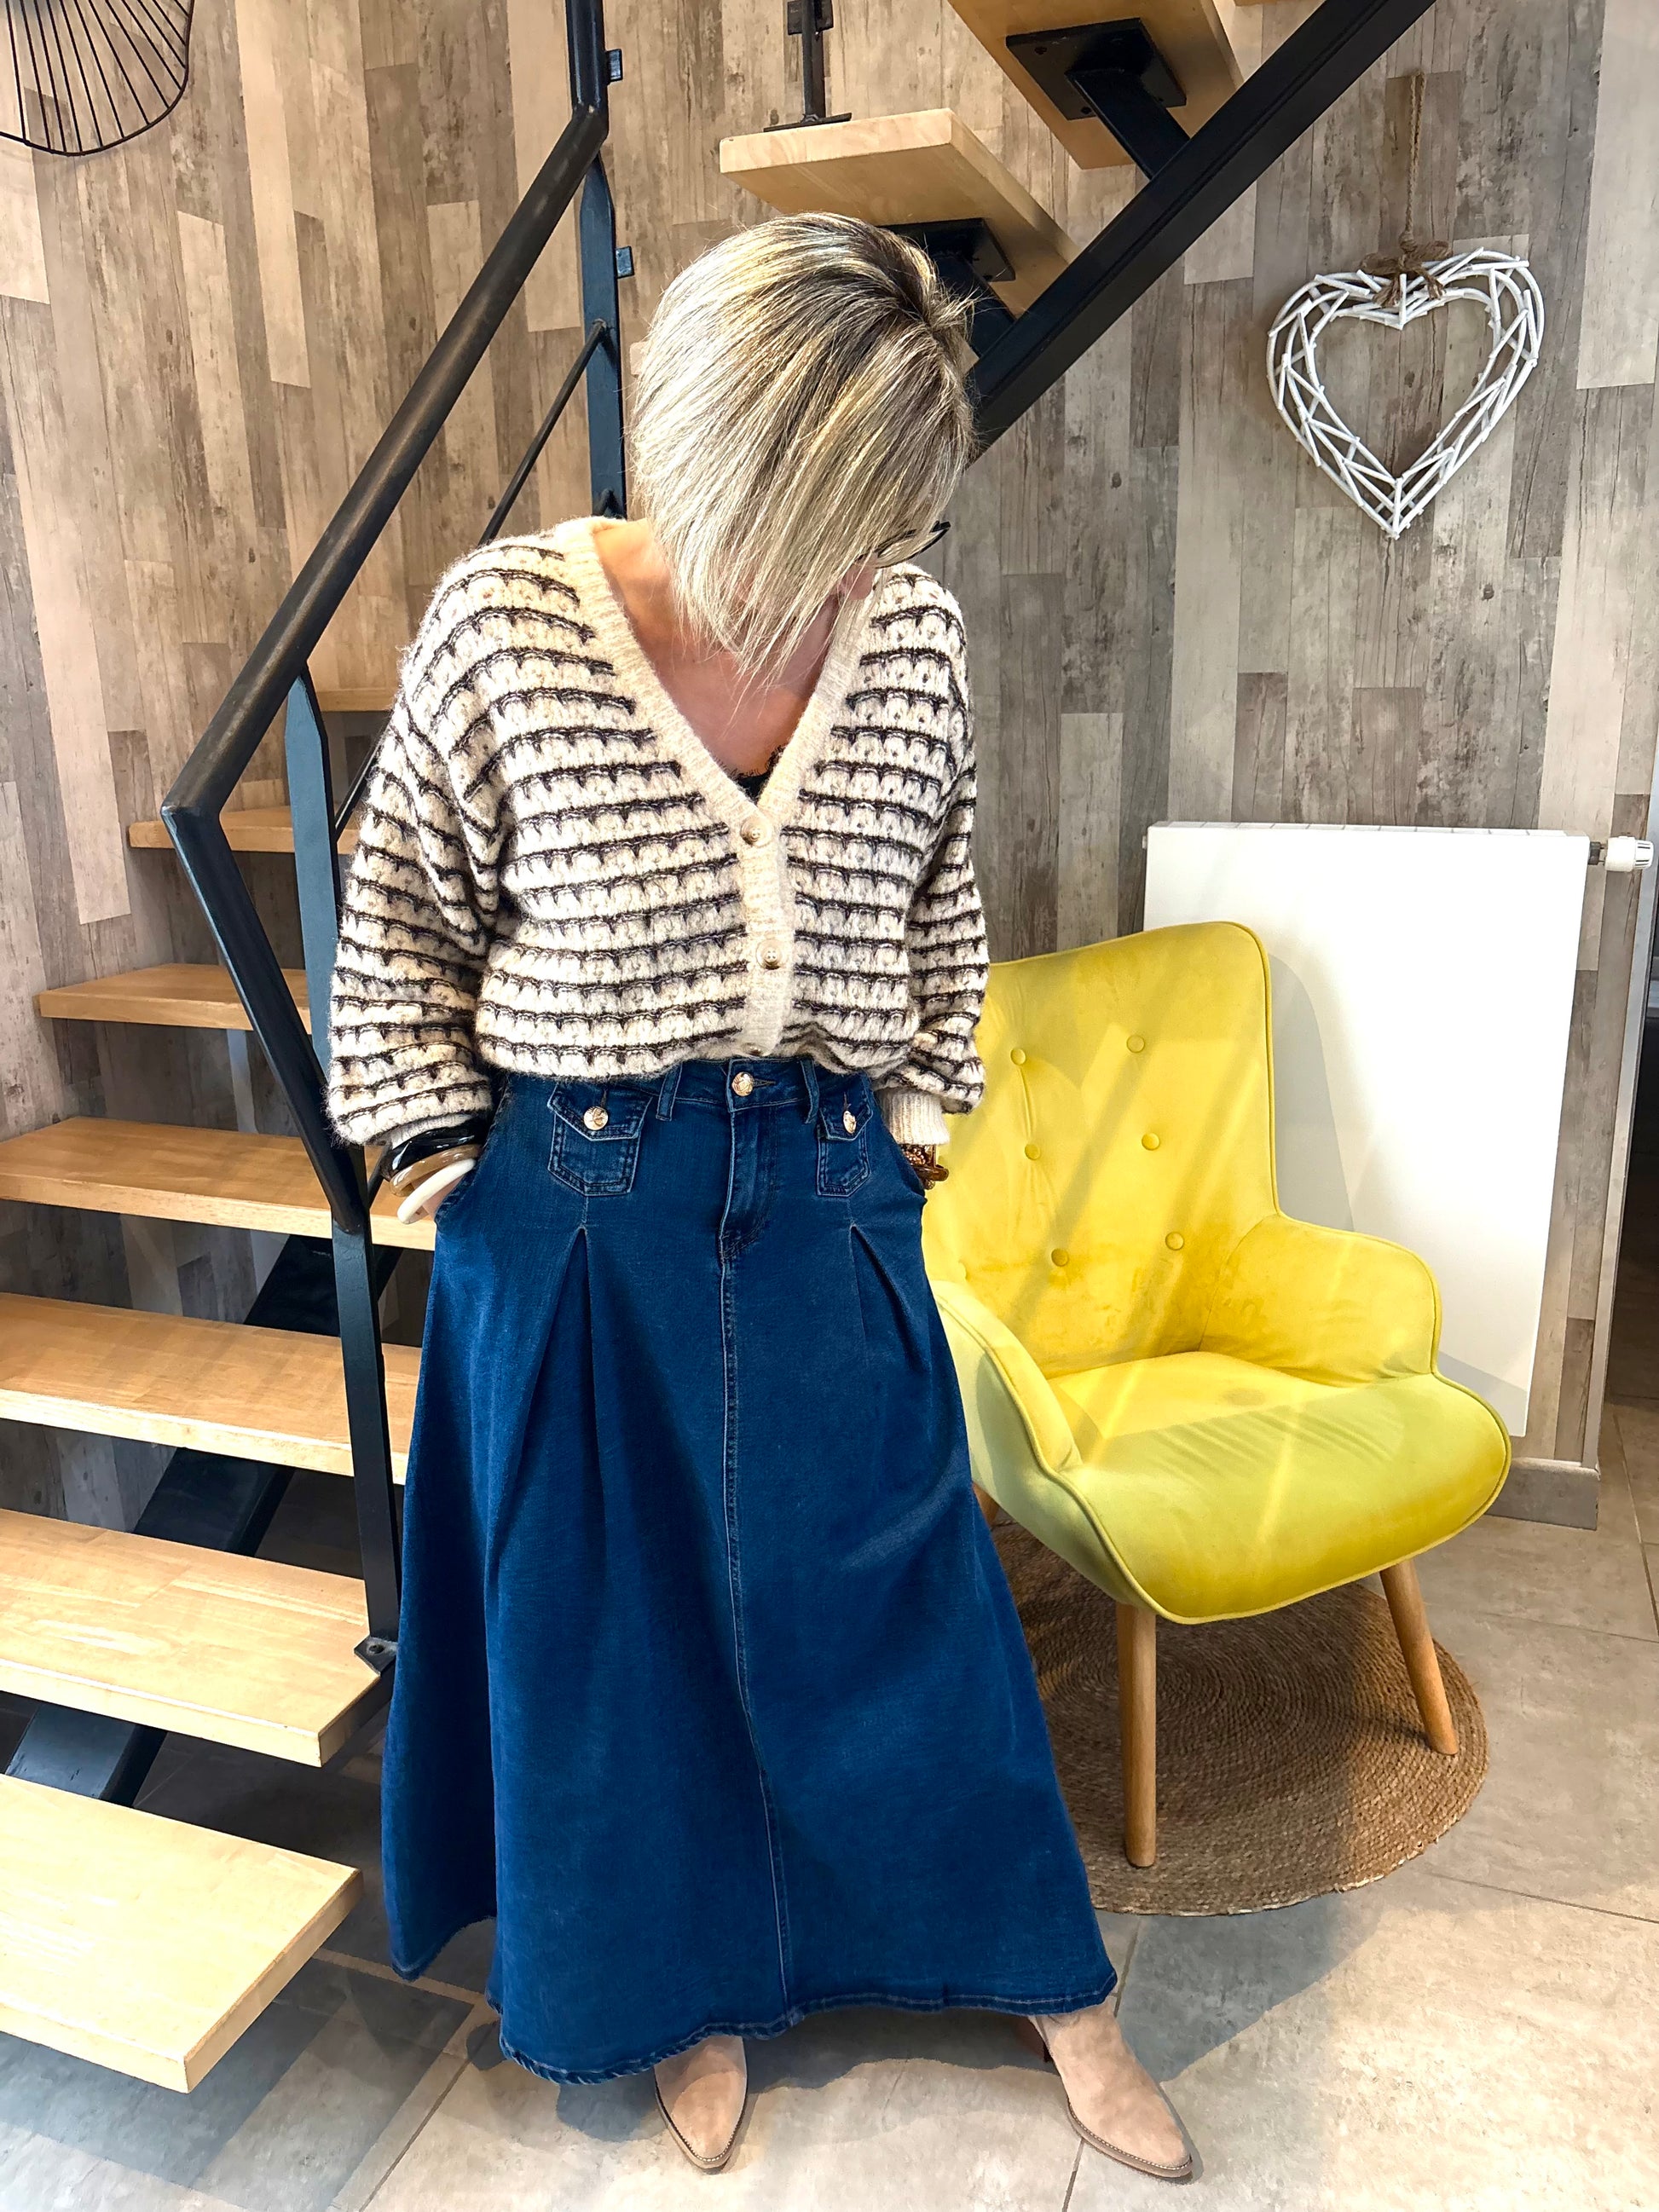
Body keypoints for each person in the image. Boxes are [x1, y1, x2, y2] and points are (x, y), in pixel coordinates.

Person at [327, 212, 1191, 2182]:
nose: (852, 578)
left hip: (823, 1180)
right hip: (575, 1201)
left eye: (888, 530)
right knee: (614, 1643)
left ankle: (1053, 1983)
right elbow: (398, 924)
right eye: (822, 528)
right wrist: (454, 1170)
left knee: (912, 1599)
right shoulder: (506, 629)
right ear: (708, 456)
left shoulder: (912, 631)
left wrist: (914, 1123)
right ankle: (679, 1990)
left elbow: (943, 894)